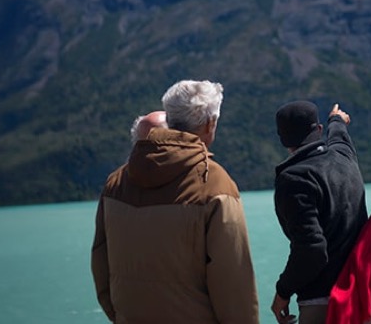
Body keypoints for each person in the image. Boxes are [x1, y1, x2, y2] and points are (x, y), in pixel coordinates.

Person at [91, 80, 259, 324]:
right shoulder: (214, 183)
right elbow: (233, 280)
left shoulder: (116, 183)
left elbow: (100, 263)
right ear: (210, 123)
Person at [271, 100, 368, 324]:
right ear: (318, 129)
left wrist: (282, 292)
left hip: (324, 303)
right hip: (364, 292)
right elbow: (339, 135)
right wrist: (336, 119)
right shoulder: (344, 157)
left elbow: (312, 249)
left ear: (283, 139)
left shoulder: (294, 179)